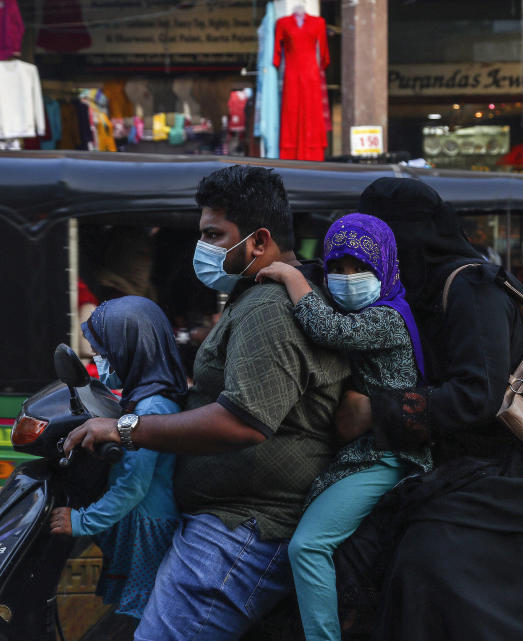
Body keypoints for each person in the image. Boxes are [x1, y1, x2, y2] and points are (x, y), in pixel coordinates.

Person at [62, 165, 350, 641]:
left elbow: (243, 423)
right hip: (227, 519)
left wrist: (125, 429)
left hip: (242, 530)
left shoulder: (270, 310)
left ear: (258, 242)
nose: (203, 248)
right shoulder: (254, 294)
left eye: (215, 235)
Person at [333, 177, 523, 641]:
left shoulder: (470, 288)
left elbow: (476, 396)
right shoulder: (415, 288)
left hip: (506, 481)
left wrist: (376, 411)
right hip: (457, 467)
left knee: (425, 565)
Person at [255, 213, 433, 641]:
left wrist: (289, 277)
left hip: (388, 455)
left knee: (308, 546)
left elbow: (328, 329)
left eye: (361, 268)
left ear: (385, 268)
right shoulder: (379, 312)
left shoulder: (389, 318)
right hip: (365, 452)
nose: (347, 277)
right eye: (337, 267)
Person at [48, 296, 187, 627]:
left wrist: (82, 521)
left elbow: (133, 487)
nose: (97, 356)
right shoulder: (140, 397)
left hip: (146, 527)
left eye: (102, 349)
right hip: (139, 521)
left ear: (130, 348)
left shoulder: (152, 408)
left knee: (140, 623)